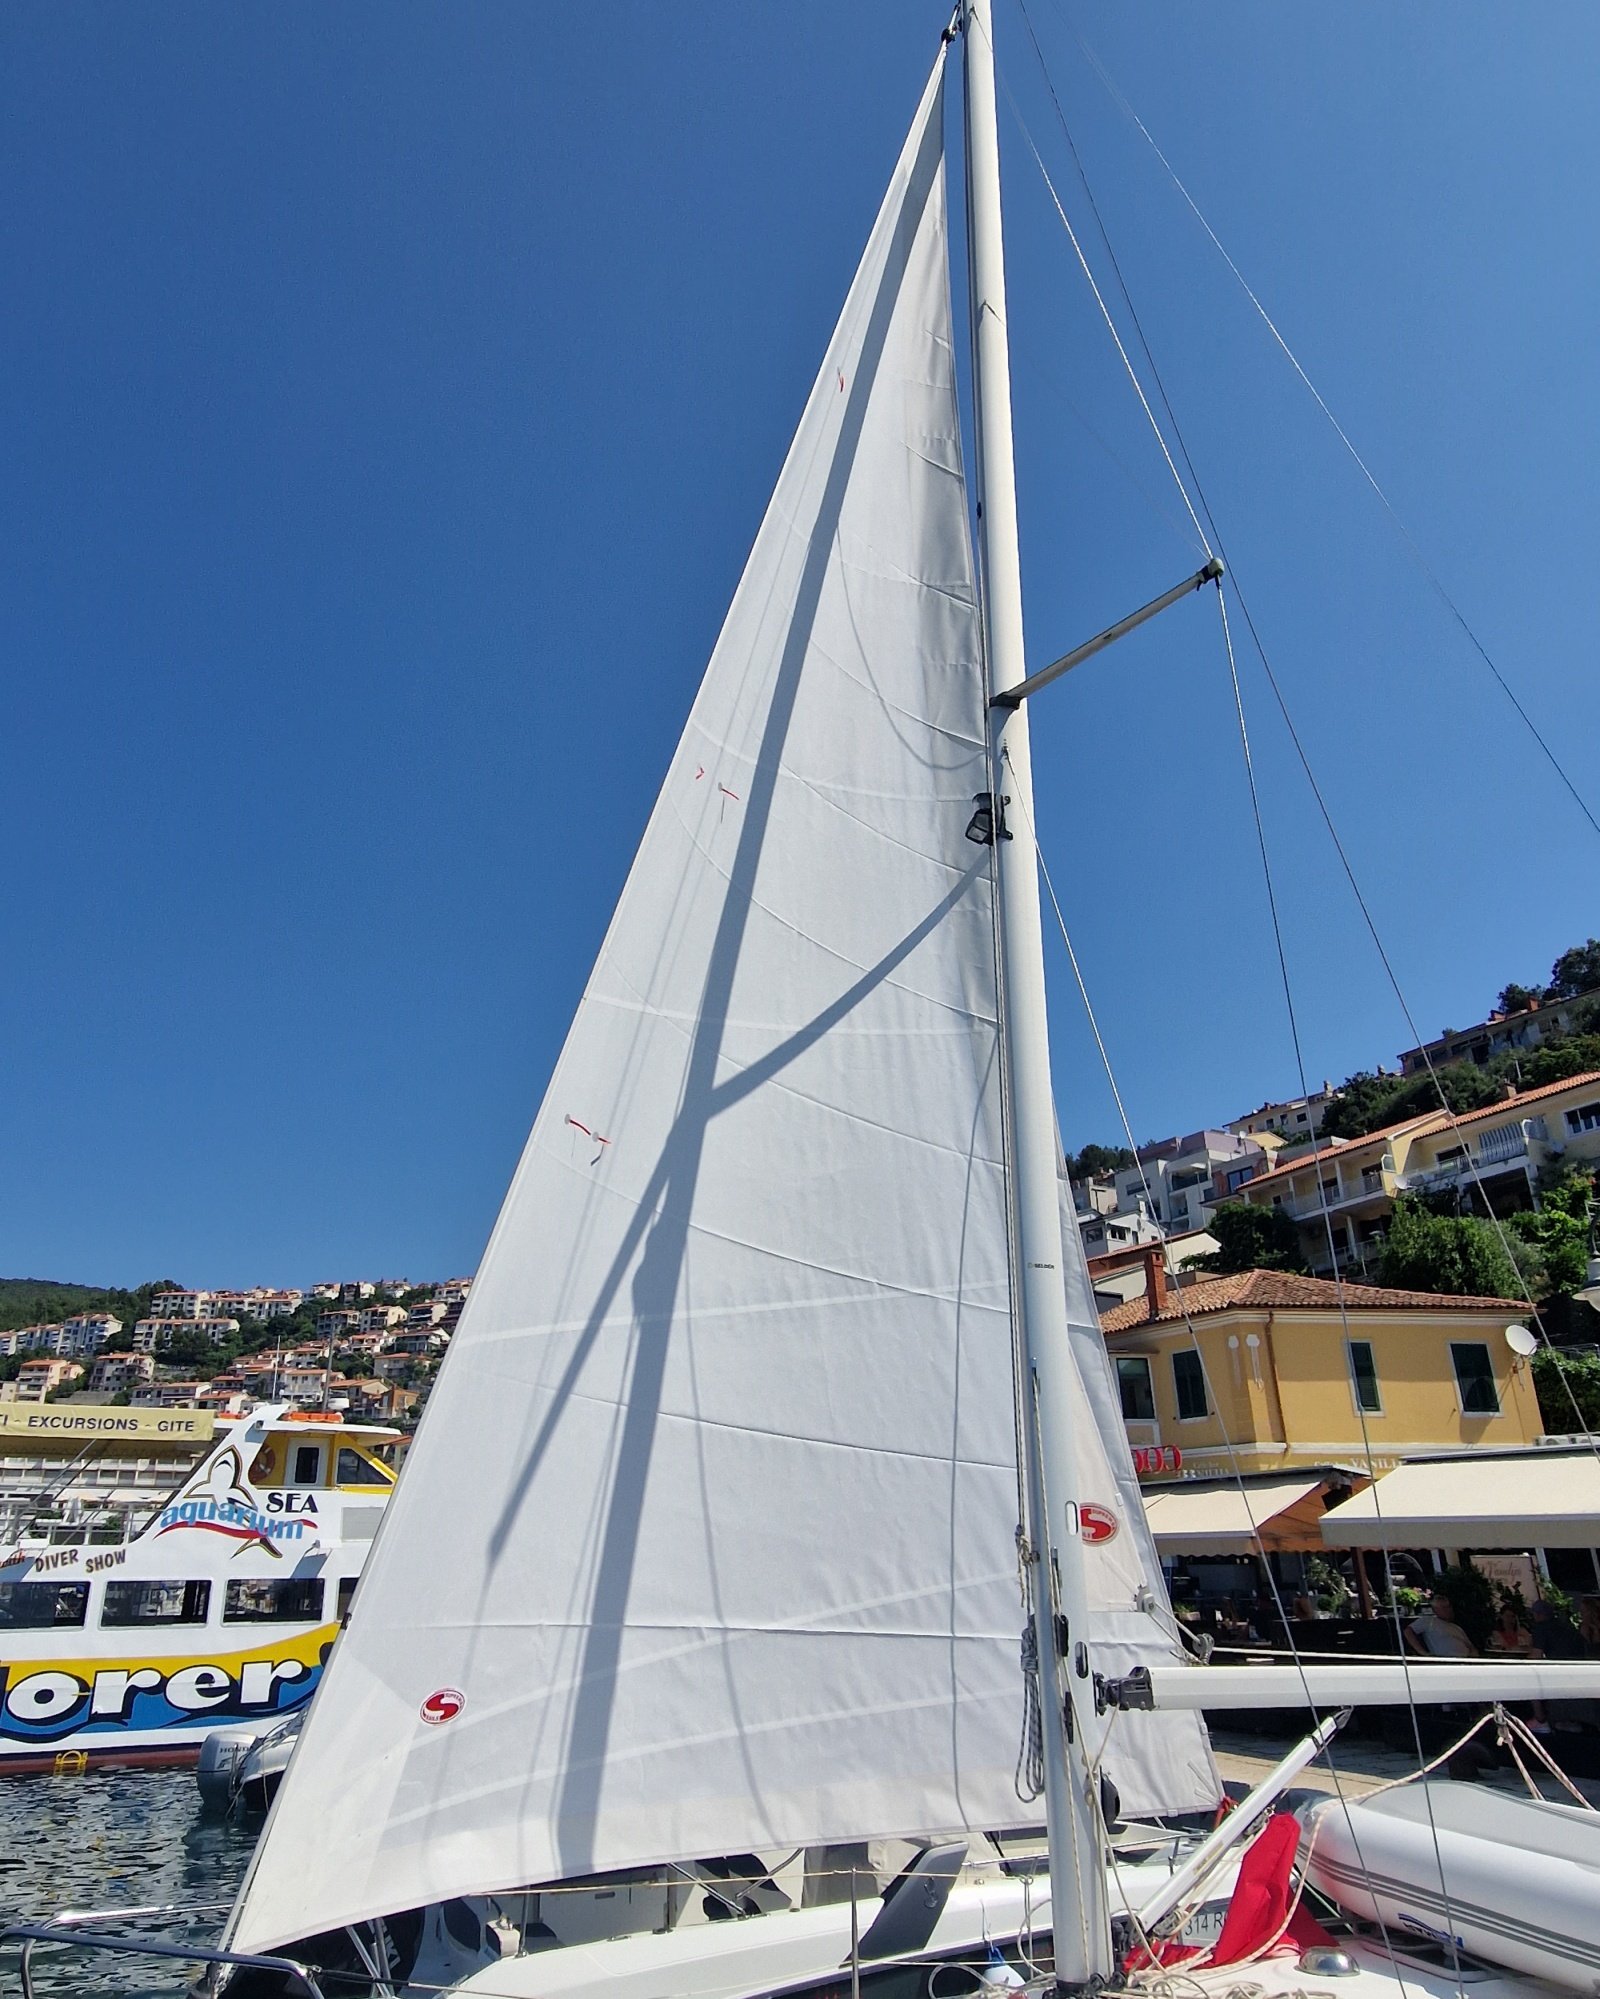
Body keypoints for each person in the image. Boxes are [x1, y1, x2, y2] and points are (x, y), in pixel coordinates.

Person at [1405, 1590, 1477, 1658]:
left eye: (1448, 1607)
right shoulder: (1429, 1621)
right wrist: (1422, 1652)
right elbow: (1408, 1631)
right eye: (1443, 1608)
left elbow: (1470, 1646)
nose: (1448, 1610)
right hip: (1446, 1661)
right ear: (1435, 1610)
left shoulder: (1457, 1628)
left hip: (1466, 1660)